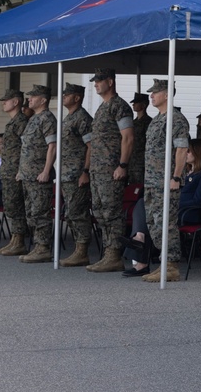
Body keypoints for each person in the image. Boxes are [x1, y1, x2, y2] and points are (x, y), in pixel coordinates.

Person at [120, 138, 201, 276]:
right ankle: (139, 237)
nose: (185, 154)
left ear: (199, 153)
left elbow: (198, 200)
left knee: (148, 211)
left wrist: (171, 203)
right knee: (143, 203)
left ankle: (140, 258)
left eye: (189, 151)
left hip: (188, 212)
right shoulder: (183, 172)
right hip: (172, 209)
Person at [84, 69, 135, 273]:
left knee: (112, 212)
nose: (95, 84)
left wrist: (122, 165)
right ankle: (108, 253)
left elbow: (128, 138)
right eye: (94, 81)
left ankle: (114, 254)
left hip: (111, 169)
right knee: (99, 210)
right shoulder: (101, 108)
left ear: (110, 82)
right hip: (98, 169)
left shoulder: (119, 106)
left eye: (99, 81)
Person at [139, 79, 190, 283]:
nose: (151, 95)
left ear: (167, 94)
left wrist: (176, 176)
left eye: (155, 92)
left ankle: (171, 265)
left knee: (166, 223)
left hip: (166, 181)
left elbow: (182, 149)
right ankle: (163, 263)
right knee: (153, 222)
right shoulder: (157, 119)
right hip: (152, 181)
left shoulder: (176, 119)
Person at [17, 85, 58, 263]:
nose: (29, 100)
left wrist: (46, 170)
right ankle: (37, 245)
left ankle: (43, 248)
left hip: (39, 175)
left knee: (40, 212)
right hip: (28, 175)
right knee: (31, 213)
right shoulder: (33, 119)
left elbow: (53, 146)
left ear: (43, 100)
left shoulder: (47, 118)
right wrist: (21, 171)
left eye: (33, 97)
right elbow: (27, 148)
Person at [56, 82, 94, 268]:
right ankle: (78, 249)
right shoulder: (68, 118)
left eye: (67, 94)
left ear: (77, 98)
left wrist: (85, 172)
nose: (63, 96)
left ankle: (82, 251)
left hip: (77, 174)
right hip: (66, 175)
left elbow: (91, 146)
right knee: (70, 213)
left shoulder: (82, 118)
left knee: (77, 213)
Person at [0, 89, 29, 255]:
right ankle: (15, 239)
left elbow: (26, 148)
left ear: (16, 102)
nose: (3, 103)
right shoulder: (12, 122)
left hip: (16, 171)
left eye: (6, 100)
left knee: (16, 205)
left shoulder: (21, 121)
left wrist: (21, 169)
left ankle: (19, 240)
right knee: (10, 205)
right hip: (8, 171)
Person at [128, 92, 151, 185]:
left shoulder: (149, 122)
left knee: (140, 187)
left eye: (136, 102)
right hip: (132, 161)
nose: (133, 104)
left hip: (142, 162)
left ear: (144, 105)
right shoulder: (133, 123)